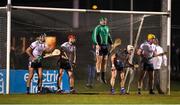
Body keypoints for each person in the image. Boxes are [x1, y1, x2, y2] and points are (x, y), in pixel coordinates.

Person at [92, 17, 113, 84]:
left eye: (105, 21)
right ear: (100, 21)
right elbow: (94, 36)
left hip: (105, 46)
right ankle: (98, 75)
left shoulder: (107, 28)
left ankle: (103, 77)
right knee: (99, 60)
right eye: (103, 21)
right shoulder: (97, 28)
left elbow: (108, 36)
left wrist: (111, 43)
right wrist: (96, 44)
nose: (105, 22)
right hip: (99, 46)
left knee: (105, 61)